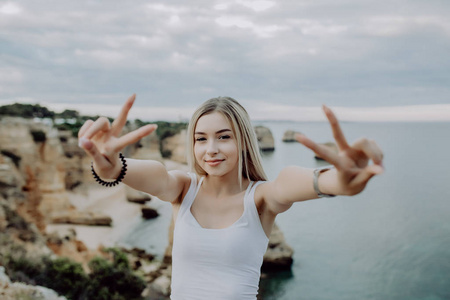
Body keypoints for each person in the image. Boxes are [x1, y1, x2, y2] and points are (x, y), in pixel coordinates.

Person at [78, 94, 384, 300]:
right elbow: (132, 173)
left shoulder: (261, 199)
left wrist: (340, 180)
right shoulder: (183, 188)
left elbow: (296, 182)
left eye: (224, 137)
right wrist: (109, 164)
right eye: (201, 139)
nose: (210, 149)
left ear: (243, 142)